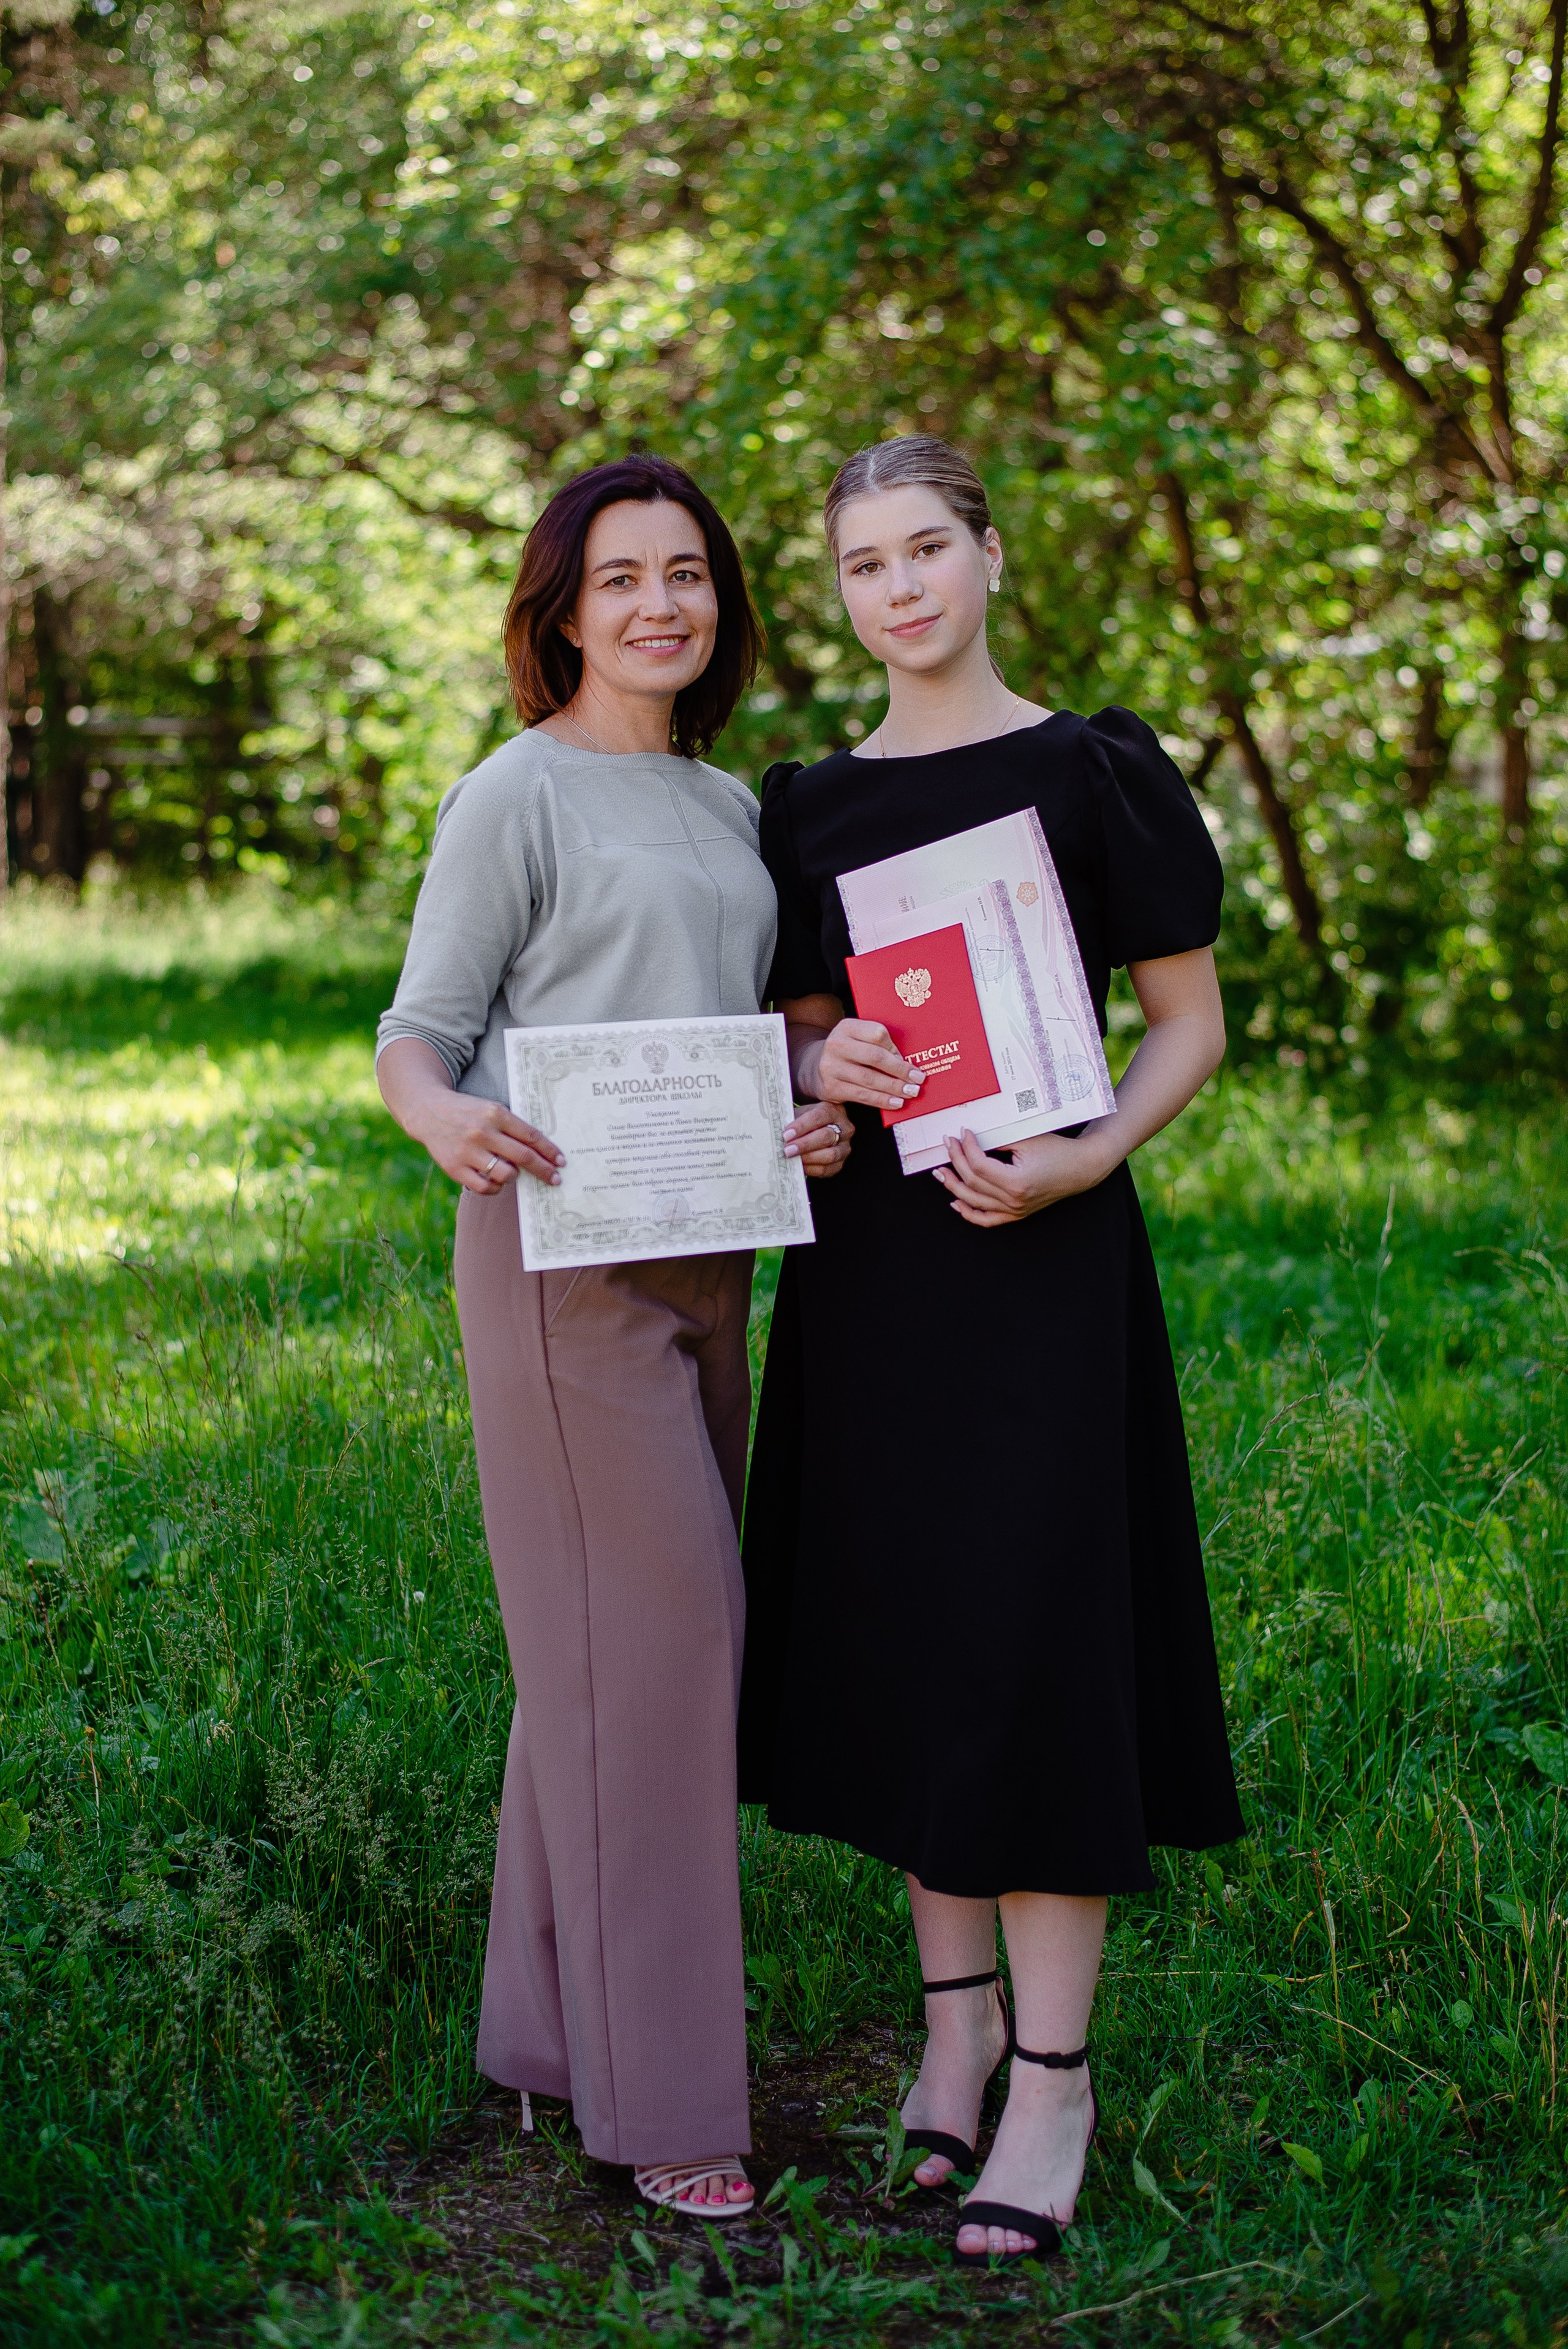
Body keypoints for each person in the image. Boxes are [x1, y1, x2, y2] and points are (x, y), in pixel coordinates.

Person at [738, 436, 1243, 2266]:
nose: (901, 588)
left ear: (989, 554)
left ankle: (1054, 2078)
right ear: (844, 592)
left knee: (1033, 1636)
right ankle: (946, 2034)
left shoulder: (1093, 769)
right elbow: (808, 1040)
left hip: (1044, 1252)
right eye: (865, 562)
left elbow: (1188, 1020)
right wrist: (825, 1073)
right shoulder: (804, 805)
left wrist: (1094, 1148)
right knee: (907, 1631)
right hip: (877, 1275)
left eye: (928, 547)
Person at [376, 455, 850, 2221]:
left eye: (691, 575)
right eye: (622, 578)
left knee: (604, 1648)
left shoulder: (732, 810)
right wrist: (440, 1121)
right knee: (671, 1649)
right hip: (554, 1258)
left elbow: (749, 1036)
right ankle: (666, 2103)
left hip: (712, 1254)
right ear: (562, 607)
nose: (662, 603)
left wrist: (816, 1096)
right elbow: (420, 1030)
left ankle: (546, 2029)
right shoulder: (518, 794)